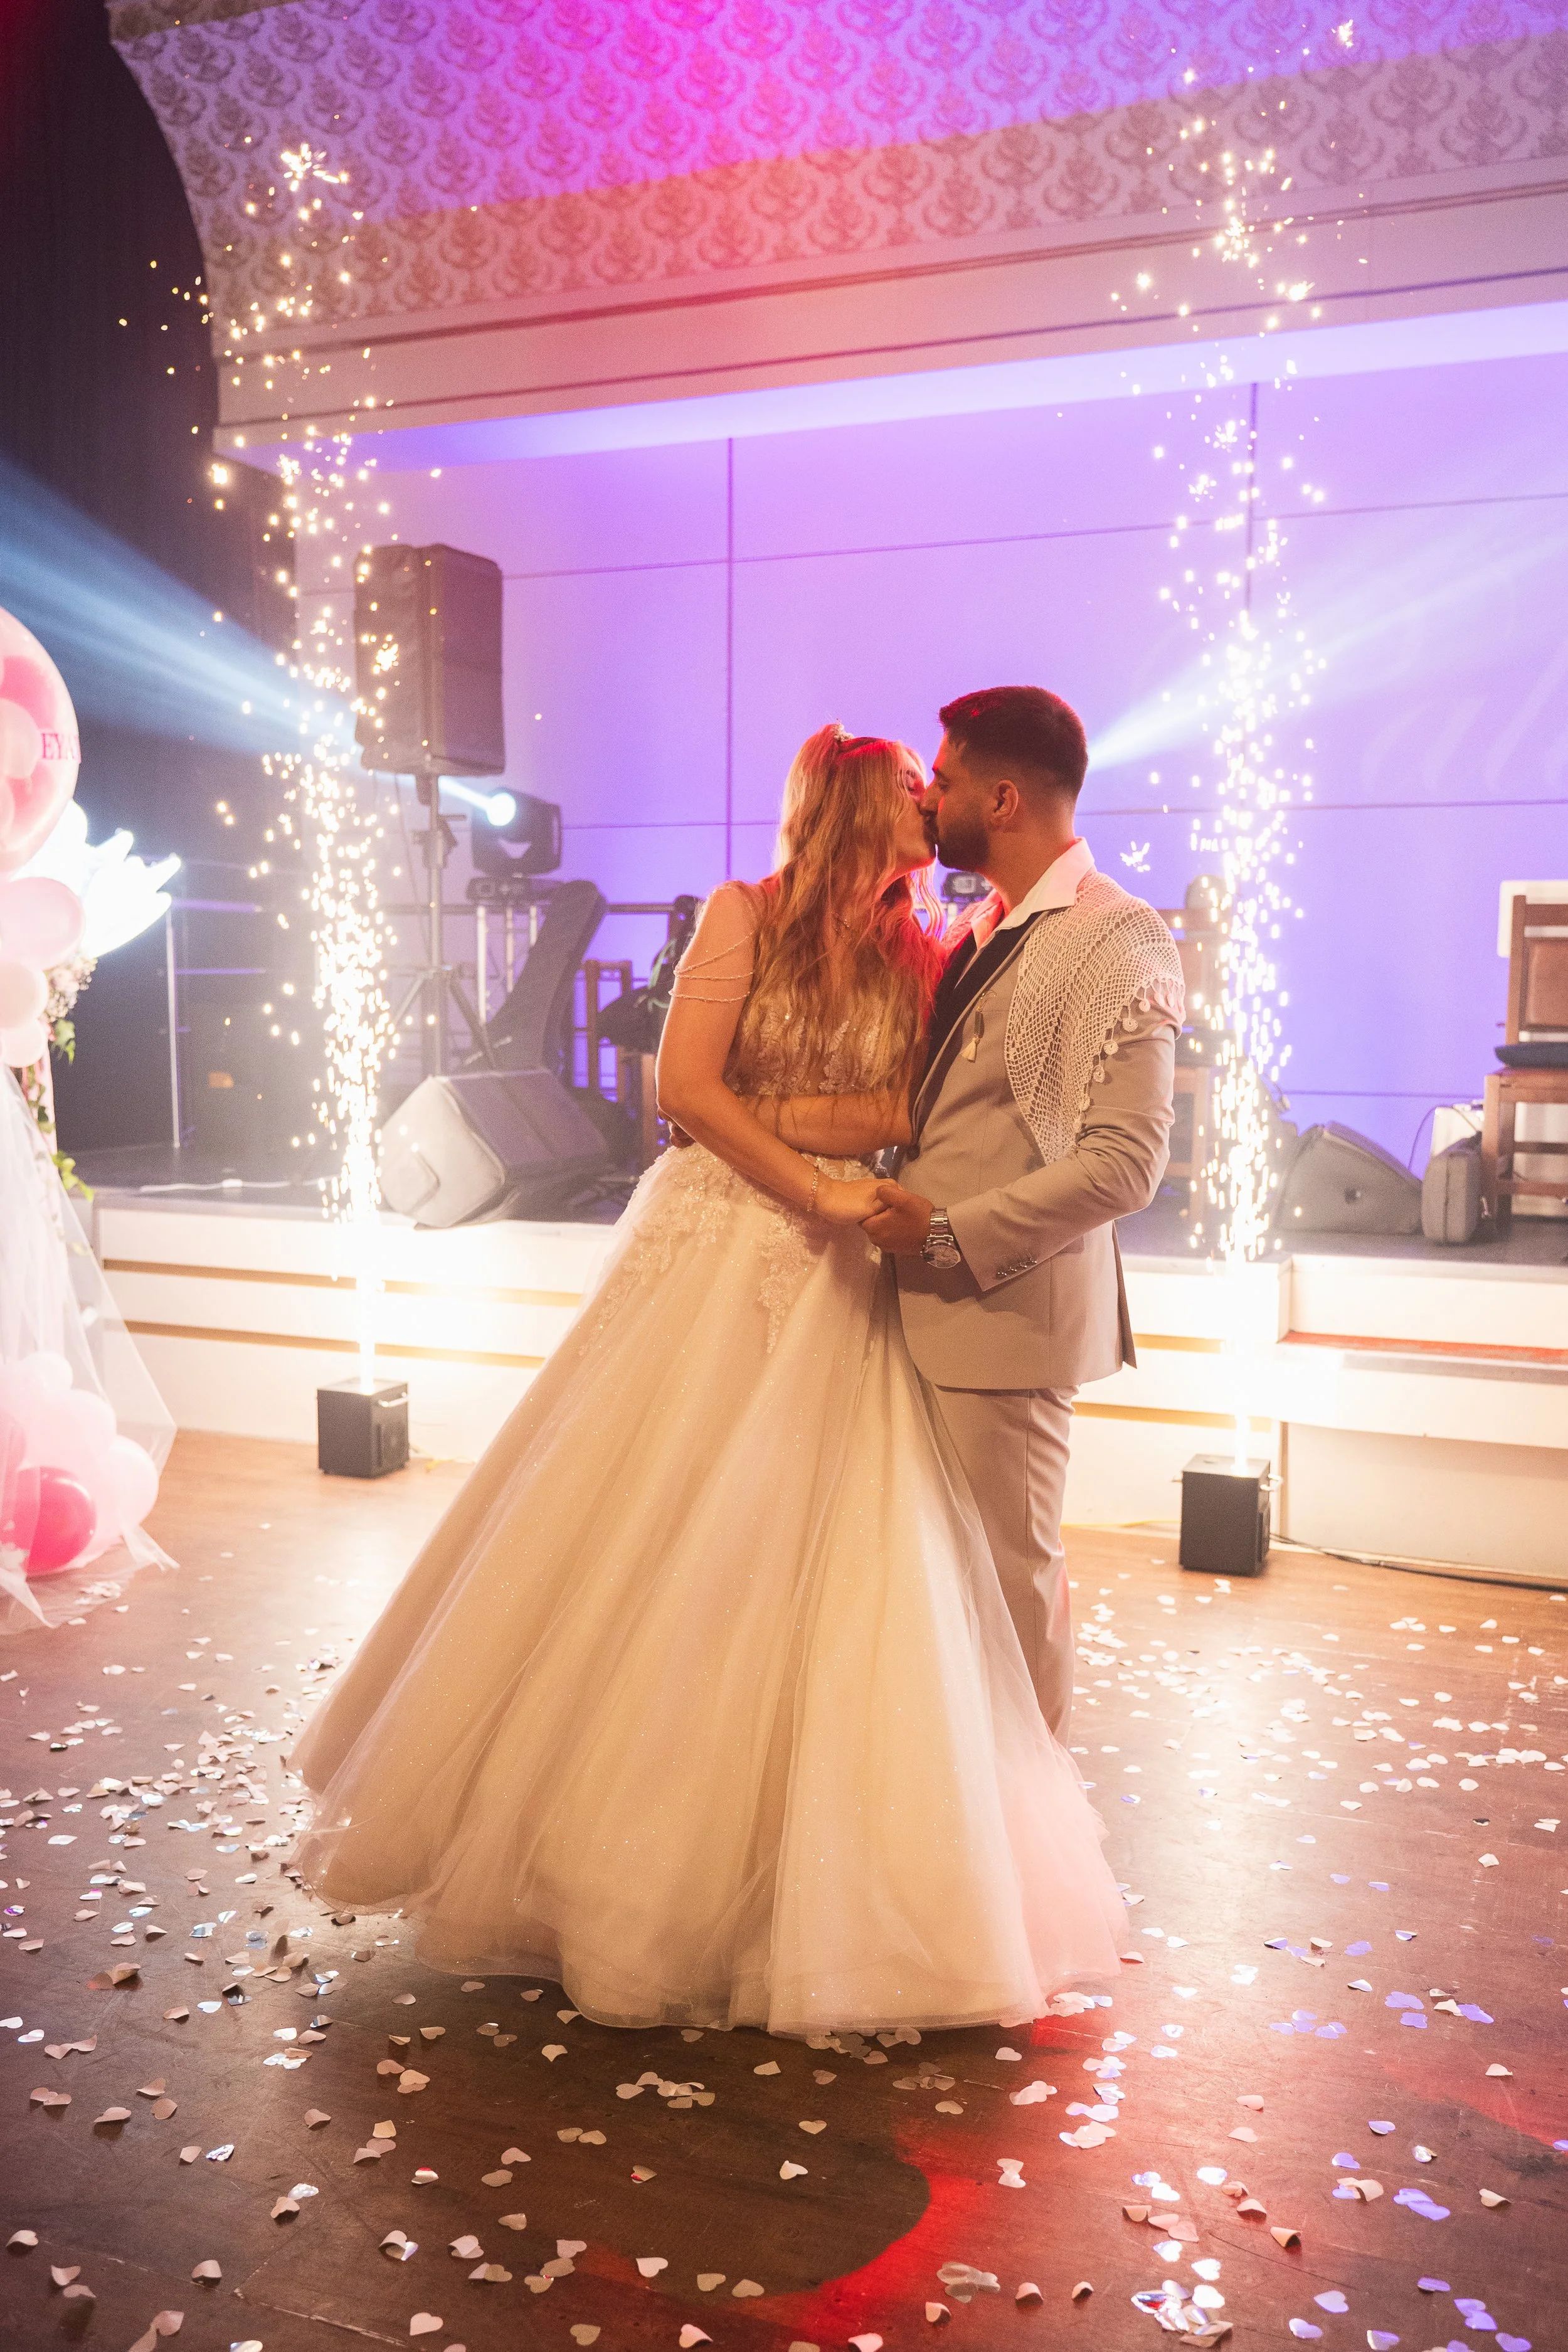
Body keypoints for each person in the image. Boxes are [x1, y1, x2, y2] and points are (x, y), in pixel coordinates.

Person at [290, 723, 1128, 2035]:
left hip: (848, 1263)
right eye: (913, 794)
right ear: (857, 806)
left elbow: (906, 1113)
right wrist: (806, 1170)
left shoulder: (924, 947)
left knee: (823, 1553)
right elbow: (684, 1090)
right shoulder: (742, 914)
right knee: (640, 1516)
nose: (933, 810)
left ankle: (820, 1865)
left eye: (941, 788)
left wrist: (815, 1147)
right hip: (728, 1239)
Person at [760, 687, 1184, 1740]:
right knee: (937, 1585)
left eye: (942, 779)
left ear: (1000, 799)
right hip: (916, 1305)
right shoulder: (979, 926)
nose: (929, 795)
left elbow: (1126, 1165)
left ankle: (1029, 1850)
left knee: (1007, 1582)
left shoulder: (1118, 935)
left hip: (1005, 1315)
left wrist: (946, 1233)